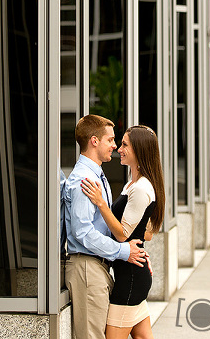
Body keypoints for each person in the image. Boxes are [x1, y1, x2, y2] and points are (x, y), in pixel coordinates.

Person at [63, 115, 148, 339]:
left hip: (95, 268)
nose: (114, 146)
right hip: (87, 269)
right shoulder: (85, 180)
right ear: (94, 141)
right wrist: (124, 252)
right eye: (110, 140)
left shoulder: (95, 175)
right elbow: (83, 233)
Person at [81, 124, 165, 339]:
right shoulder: (133, 184)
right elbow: (145, 234)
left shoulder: (141, 188)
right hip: (133, 274)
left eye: (125, 144)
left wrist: (101, 203)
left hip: (130, 279)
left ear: (139, 149)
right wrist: (140, 250)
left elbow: (122, 235)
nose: (119, 148)